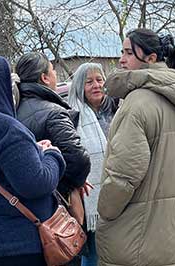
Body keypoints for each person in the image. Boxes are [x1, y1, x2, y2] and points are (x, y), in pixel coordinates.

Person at [95, 28, 175, 266]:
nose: (121, 59)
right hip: (168, 233)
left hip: (133, 235)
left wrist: (105, 210)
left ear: (151, 59)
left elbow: (124, 175)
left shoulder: (137, 103)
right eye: (122, 52)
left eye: (129, 53)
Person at [0, 53, 66, 266]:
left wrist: (34, 151)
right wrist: (53, 155)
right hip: (16, 243)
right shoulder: (5, 127)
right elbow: (36, 183)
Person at [15, 52, 91, 196]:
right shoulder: (54, 113)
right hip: (53, 198)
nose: (55, 74)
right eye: (52, 70)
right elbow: (78, 159)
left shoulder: (10, 111)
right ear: (45, 78)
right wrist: (74, 183)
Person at [68, 62, 119, 266]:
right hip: (88, 197)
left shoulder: (116, 111)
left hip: (117, 191)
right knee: (93, 253)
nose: (96, 85)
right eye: (89, 82)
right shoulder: (72, 116)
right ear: (80, 87)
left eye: (99, 80)